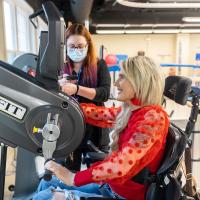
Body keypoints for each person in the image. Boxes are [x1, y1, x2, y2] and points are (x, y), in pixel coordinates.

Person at [33, 56, 169, 200]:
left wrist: (73, 177)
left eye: (122, 77)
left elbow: (121, 164)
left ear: (140, 82)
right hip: (110, 187)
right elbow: (99, 114)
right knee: (46, 183)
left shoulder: (153, 118)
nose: (116, 83)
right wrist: (65, 105)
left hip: (124, 196)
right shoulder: (132, 110)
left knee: (45, 196)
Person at [60, 23, 111, 171]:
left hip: (96, 128)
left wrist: (76, 89)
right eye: (72, 46)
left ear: (88, 45)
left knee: (97, 173)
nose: (76, 50)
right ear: (65, 46)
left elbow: (104, 93)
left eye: (80, 46)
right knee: (69, 172)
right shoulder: (61, 67)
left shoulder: (99, 64)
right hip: (70, 126)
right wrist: (59, 85)